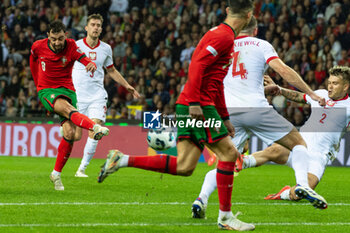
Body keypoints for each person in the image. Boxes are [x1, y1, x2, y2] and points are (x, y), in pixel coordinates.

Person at [98, 0, 256, 231]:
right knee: (229, 154)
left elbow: (216, 81)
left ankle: (121, 159)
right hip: (198, 105)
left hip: (195, 103)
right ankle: (225, 217)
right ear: (249, 14)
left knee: (185, 166)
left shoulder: (223, 36)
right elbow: (196, 66)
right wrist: (194, 102)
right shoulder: (223, 36)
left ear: (227, 10)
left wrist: (224, 117)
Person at [191, 16, 328, 219]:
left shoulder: (224, 46)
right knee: (298, 143)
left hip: (229, 113)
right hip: (256, 109)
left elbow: (223, 80)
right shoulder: (261, 44)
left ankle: (201, 199)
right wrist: (312, 93)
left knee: (226, 161)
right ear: (255, 31)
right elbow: (282, 70)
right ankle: (302, 185)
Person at [241, 66, 350, 202]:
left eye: (335, 83)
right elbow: (299, 96)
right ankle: (241, 162)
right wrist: (279, 89)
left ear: (345, 86)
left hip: (319, 156)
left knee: (301, 193)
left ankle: (283, 194)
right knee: (273, 150)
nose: (330, 87)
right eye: (329, 82)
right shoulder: (320, 94)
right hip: (300, 145)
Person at [29, 20, 110, 191]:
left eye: (60, 38)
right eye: (53, 39)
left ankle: (56, 174)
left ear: (65, 35)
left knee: (71, 133)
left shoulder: (71, 46)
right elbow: (33, 60)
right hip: (47, 90)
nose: (57, 43)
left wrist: (90, 63)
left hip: (68, 90)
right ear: (48, 36)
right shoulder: (38, 46)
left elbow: (83, 58)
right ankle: (94, 127)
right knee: (67, 109)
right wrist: (38, 85)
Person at [72, 14, 140, 178]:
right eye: (93, 25)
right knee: (74, 135)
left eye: (98, 25)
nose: (95, 28)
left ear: (101, 29)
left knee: (95, 130)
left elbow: (111, 70)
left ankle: (82, 169)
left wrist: (127, 85)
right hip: (78, 96)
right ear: (86, 28)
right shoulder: (75, 46)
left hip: (97, 96)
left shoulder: (106, 48)